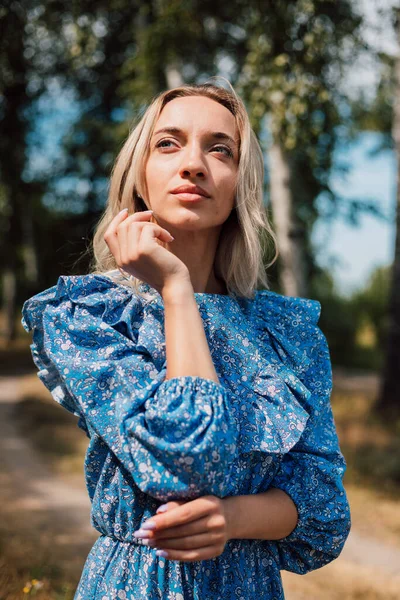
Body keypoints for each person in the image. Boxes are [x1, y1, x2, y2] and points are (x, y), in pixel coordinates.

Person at [21, 79, 351, 600]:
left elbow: (326, 512)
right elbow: (185, 464)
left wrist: (231, 518)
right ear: (139, 176)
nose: (193, 164)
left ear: (242, 181)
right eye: (168, 143)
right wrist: (176, 289)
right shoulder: (88, 316)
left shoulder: (288, 332)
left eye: (220, 148)